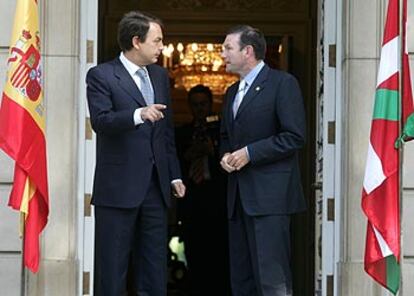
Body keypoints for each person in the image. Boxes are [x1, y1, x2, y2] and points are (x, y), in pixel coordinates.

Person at [86, 11, 185, 296]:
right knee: (113, 268)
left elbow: (165, 134)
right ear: (136, 41)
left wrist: (174, 175)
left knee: (154, 268)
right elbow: (101, 121)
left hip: (156, 187)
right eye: (157, 41)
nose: (162, 47)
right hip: (117, 189)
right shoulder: (102, 75)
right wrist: (138, 114)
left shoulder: (159, 75)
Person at [219, 25, 306, 296]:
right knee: (242, 281)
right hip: (238, 199)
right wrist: (225, 156)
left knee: (272, 281)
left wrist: (249, 153)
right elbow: (226, 137)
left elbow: (294, 136)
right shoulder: (231, 93)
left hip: (270, 200)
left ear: (248, 51)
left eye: (227, 48)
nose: (222, 54)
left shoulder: (283, 84)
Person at [175, 85, 231, 295]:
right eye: (195, 105)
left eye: (203, 104)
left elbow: (231, 162)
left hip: (216, 203)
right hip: (192, 203)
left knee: (219, 255)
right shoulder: (182, 133)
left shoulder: (221, 129)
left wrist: (212, 151)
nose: (200, 109)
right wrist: (189, 154)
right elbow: (175, 163)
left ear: (210, 104)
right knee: (194, 254)